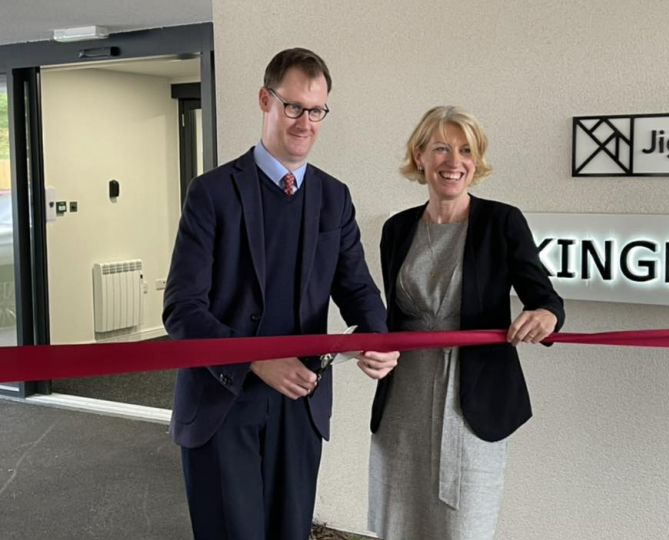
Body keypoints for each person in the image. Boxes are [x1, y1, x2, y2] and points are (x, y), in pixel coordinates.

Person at [163, 48, 399, 540]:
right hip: (223, 401)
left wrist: (377, 335)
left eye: (316, 110)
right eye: (293, 106)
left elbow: (357, 287)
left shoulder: (334, 197)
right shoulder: (211, 193)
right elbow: (182, 308)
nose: (305, 122)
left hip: (301, 402)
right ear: (265, 100)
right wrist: (256, 360)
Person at [367, 106, 565, 540]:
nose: (453, 161)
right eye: (441, 148)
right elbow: (389, 319)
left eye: (465, 150)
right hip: (404, 401)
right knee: (398, 524)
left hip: (473, 403)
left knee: (464, 528)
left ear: (475, 162)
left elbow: (545, 298)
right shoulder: (397, 229)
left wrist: (545, 315)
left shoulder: (502, 221)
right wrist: (368, 345)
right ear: (420, 156)